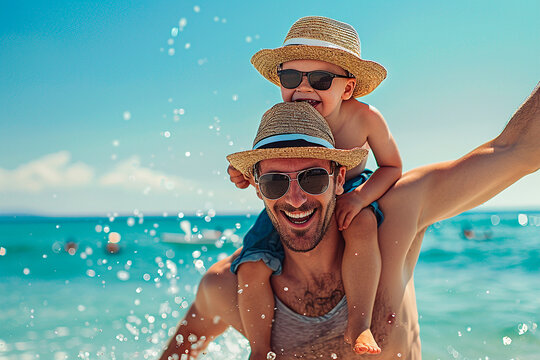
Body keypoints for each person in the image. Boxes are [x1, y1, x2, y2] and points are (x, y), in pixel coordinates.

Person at [159, 85, 540, 359]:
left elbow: (516, 150)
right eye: (276, 181)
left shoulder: (396, 218)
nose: (295, 198)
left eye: (312, 178)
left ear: (340, 178)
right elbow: (185, 342)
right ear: (258, 188)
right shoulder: (229, 286)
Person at [228, 16, 401, 356]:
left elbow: (392, 166)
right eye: (291, 77)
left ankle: (360, 324)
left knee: (363, 223)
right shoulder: (283, 117)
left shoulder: (364, 118)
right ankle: (259, 348)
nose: (303, 89)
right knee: (251, 263)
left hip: (350, 186)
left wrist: (360, 198)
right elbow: (263, 161)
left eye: (321, 79)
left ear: (347, 88)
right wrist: (241, 173)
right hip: (298, 195)